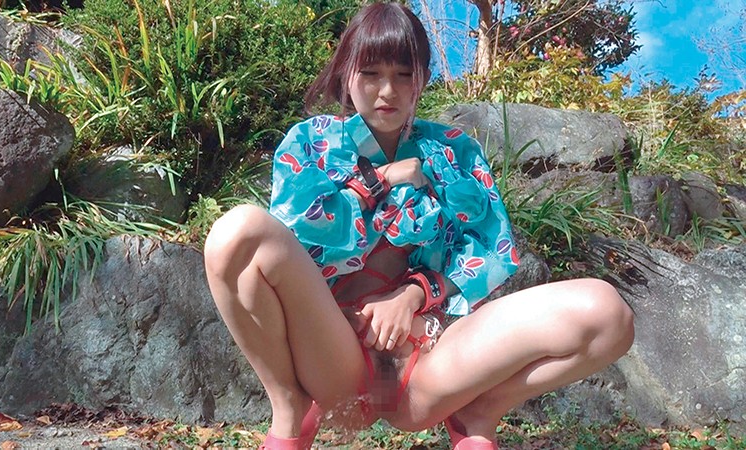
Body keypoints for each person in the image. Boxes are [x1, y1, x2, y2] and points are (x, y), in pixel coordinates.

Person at [204, 2, 634, 449]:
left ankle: (479, 410)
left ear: (423, 79)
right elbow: (299, 235)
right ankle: (289, 406)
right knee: (238, 234)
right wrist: (379, 180)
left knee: (606, 313)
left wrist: (411, 296)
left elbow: (489, 247)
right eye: (371, 73)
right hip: (336, 358)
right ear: (346, 74)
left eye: (404, 75)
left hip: (429, 357)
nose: (387, 90)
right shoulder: (310, 143)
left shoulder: (455, 150)